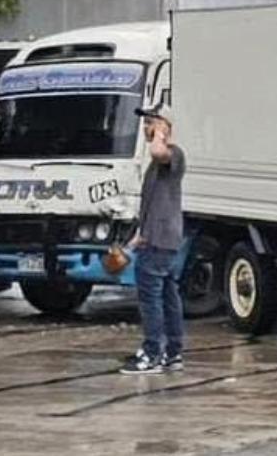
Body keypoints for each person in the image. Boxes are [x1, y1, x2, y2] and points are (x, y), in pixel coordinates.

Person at [121, 104, 186, 375]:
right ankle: (172, 351)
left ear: (165, 127)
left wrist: (160, 133)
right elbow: (154, 203)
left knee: (151, 299)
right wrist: (137, 238)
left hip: (160, 242)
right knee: (169, 297)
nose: (146, 128)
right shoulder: (157, 164)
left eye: (151, 122)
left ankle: (152, 353)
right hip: (157, 239)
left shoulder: (173, 154)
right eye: (146, 123)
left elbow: (159, 151)